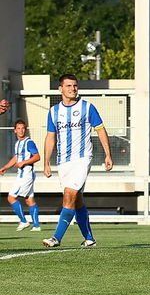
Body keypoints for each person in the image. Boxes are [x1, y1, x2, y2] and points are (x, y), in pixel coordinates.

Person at [42, 74, 113, 248]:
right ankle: (89, 239)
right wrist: (46, 162)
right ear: (60, 89)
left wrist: (108, 154)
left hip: (82, 159)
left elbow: (100, 130)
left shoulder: (87, 107)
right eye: (68, 86)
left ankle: (56, 238)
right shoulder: (53, 111)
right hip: (63, 162)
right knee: (77, 199)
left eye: (75, 85)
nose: (73, 89)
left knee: (69, 195)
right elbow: (50, 137)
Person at [1, 119, 41, 231]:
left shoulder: (29, 142)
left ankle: (23, 221)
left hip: (26, 174)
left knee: (11, 197)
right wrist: (5, 167)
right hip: (23, 174)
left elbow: (37, 157)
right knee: (29, 200)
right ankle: (36, 226)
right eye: (18, 128)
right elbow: (16, 158)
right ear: (15, 130)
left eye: (23, 128)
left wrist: (24, 162)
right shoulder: (18, 143)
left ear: (25, 129)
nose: (21, 130)